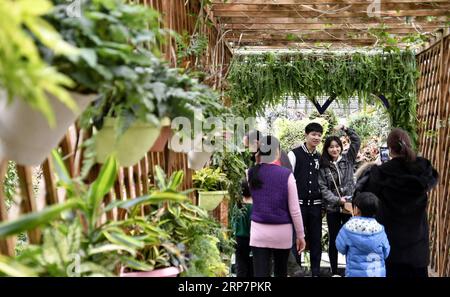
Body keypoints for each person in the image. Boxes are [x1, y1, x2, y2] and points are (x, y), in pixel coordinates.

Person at [361, 128, 438, 277]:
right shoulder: (422, 169)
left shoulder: (381, 173)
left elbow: (365, 198)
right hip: (417, 245)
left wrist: (375, 166)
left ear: (390, 149)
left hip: (390, 246)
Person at [248, 136, 306, 277]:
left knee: (260, 275)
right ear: (278, 152)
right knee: (281, 272)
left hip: (258, 232)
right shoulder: (286, 175)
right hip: (282, 233)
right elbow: (295, 210)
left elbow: (253, 198)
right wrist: (300, 235)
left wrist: (257, 162)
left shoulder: (251, 173)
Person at [318, 125, 361, 276]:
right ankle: (334, 271)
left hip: (349, 207)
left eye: (337, 146)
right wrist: (338, 200)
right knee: (334, 240)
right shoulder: (323, 166)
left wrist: (346, 129)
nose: (334, 150)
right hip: (333, 208)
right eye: (331, 147)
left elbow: (356, 141)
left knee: (351, 239)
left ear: (341, 147)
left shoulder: (348, 159)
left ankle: (351, 269)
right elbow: (323, 189)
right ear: (327, 149)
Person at [287, 122, 323, 277]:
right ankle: (297, 273)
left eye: (319, 135)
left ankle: (315, 273)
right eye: (313, 134)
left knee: (316, 241)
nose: (316, 137)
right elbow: (287, 179)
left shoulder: (320, 157)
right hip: (298, 206)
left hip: (316, 206)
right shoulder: (293, 154)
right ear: (306, 135)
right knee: (296, 240)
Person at [336, 192, 390, 277]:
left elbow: (340, 247)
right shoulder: (380, 229)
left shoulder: (348, 227)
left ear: (356, 209)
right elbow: (386, 252)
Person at [232, 179, 253, 277]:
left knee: (240, 264)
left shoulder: (238, 204)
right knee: (252, 265)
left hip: (239, 239)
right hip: (252, 239)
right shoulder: (254, 206)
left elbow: (233, 222)